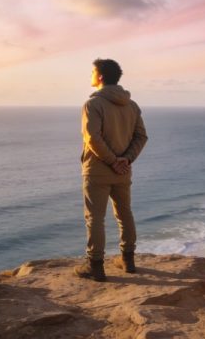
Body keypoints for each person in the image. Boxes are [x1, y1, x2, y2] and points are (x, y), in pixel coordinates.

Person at [74, 58, 148, 282]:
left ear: (101, 77)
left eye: (92, 72)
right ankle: (129, 262)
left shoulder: (93, 105)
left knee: (95, 218)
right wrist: (125, 159)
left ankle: (95, 267)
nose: (90, 76)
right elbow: (141, 136)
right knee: (124, 214)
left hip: (97, 170)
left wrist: (112, 160)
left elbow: (92, 138)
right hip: (123, 171)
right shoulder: (131, 105)